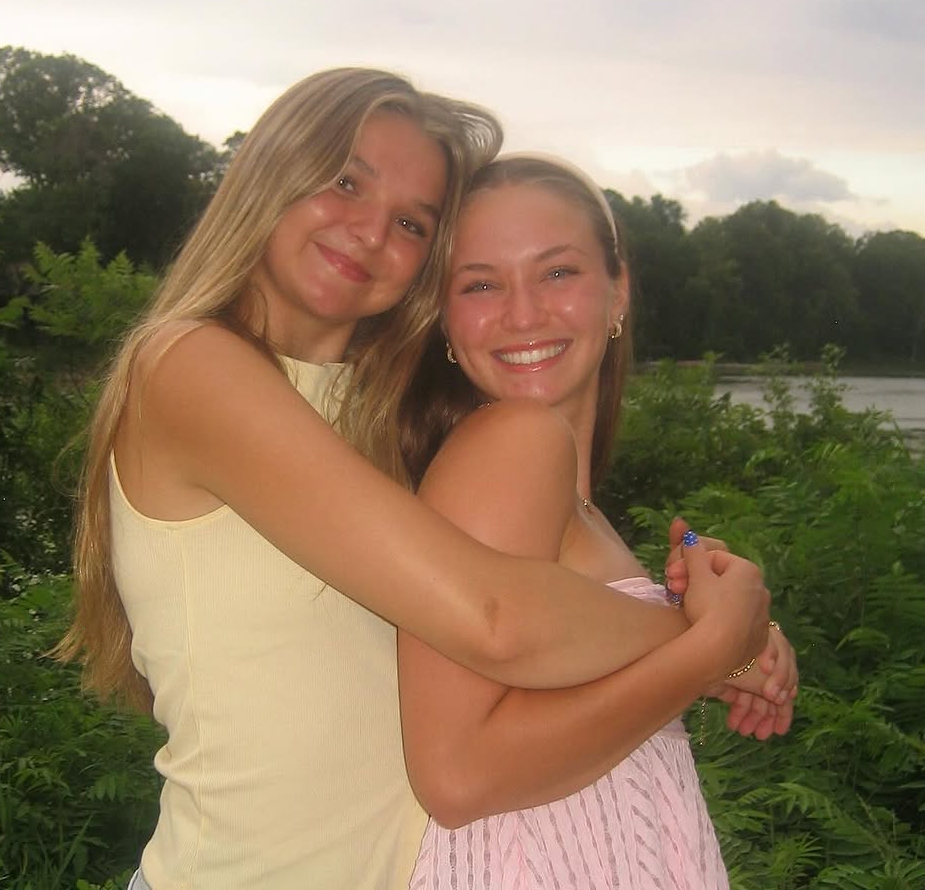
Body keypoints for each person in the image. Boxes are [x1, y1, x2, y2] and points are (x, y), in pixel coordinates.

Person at [55, 70, 779, 889]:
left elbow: (514, 632)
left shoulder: (375, 424)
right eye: (345, 182)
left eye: (410, 222)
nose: (370, 231)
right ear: (270, 172)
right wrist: (713, 636)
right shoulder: (190, 366)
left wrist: (719, 635)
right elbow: (495, 618)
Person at [399, 154, 794, 889]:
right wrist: (709, 648)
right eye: (480, 284)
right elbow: (456, 775)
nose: (523, 313)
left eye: (557, 272)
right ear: (444, 320)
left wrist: (734, 646)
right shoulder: (514, 445)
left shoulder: (576, 503)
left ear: (619, 292)